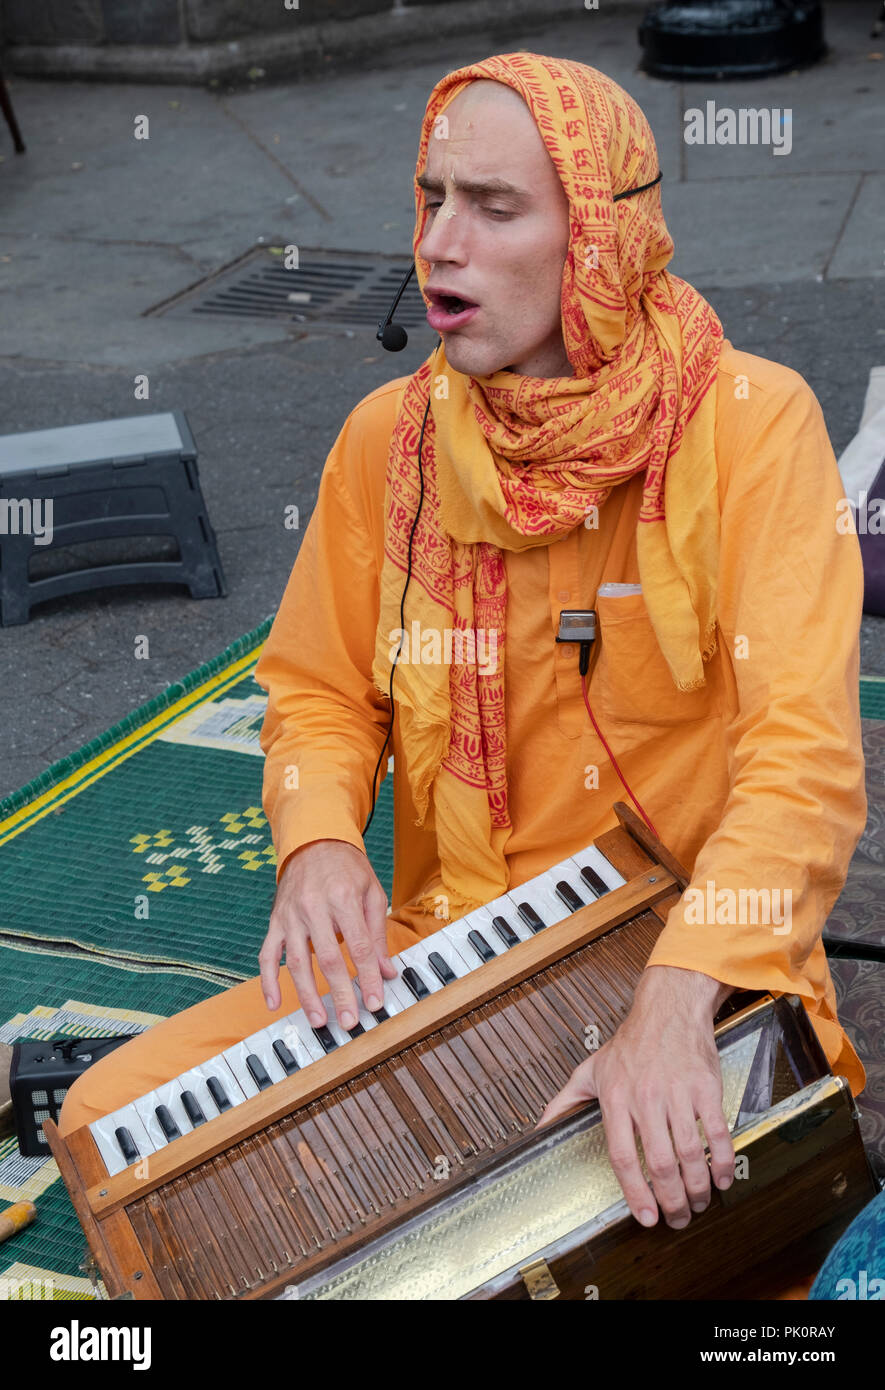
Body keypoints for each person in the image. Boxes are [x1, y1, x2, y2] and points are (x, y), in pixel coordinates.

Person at [58, 51, 866, 1241]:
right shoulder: (390, 442)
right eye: (433, 198)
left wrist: (675, 1005)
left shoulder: (754, 428)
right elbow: (319, 691)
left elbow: (803, 768)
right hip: (442, 961)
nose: (440, 243)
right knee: (113, 1126)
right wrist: (319, 842)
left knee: (607, 1225)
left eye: (495, 209)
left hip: (686, 957)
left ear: (597, 235)